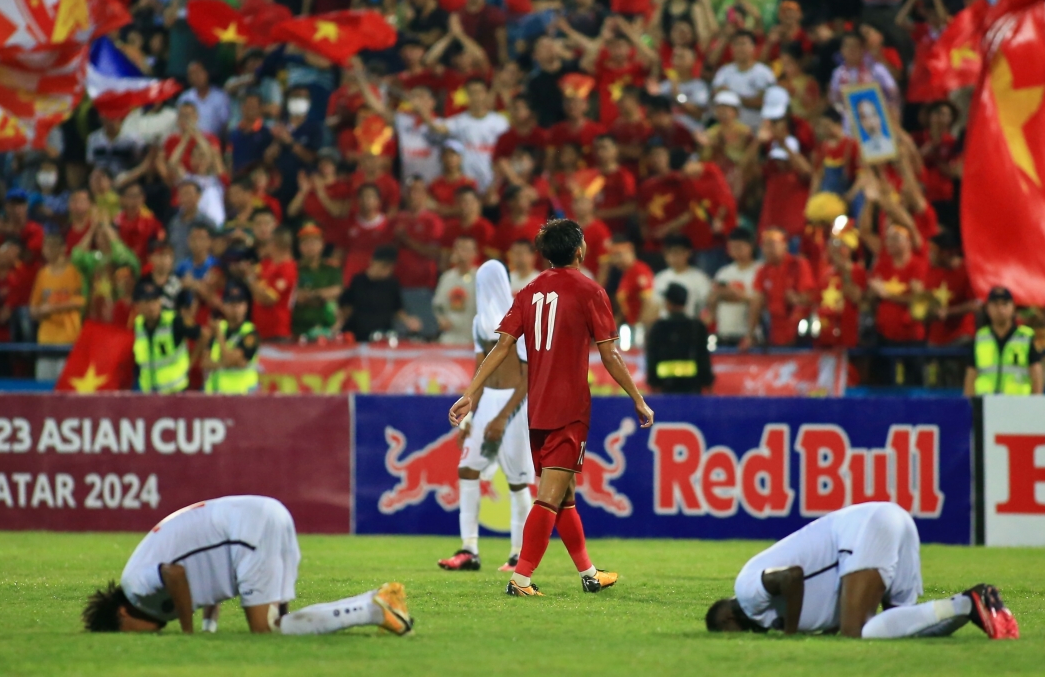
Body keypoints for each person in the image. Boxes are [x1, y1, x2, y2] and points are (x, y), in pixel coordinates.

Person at [448, 219, 655, 598]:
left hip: (537, 408)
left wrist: (471, 392)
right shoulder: (591, 291)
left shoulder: (529, 291)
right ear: (579, 251)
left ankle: (590, 573)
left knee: (564, 494)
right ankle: (521, 579)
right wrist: (637, 398)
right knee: (549, 495)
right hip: (569, 408)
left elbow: (502, 346)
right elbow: (610, 353)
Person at [81, 494, 412, 635]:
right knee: (279, 622)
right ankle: (377, 600)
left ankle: (372, 610)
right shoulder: (145, 589)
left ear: (122, 615)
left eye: (127, 633)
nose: (141, 636)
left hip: (249, 531)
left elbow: (176, 573)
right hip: (267, 515)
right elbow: (204, 574)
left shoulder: (136, 588)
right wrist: (210, 626)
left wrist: (188, 632)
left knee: (264, 629)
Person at [705, 502, 1019, 640]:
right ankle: (972, 606)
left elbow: (792, 578)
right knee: (905, 629)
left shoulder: (746, 592)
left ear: (726, 619)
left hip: (867, 528)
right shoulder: (769, 616)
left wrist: (790, 636)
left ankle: (966, 602)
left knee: (856, 632)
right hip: (885, 521)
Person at [438, 261, 533, 574]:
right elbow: (481, 371)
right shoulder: (481, 321)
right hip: (488, 401)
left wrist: (503, 417)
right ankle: (469, 550)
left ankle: (519, 554)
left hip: (514, 406)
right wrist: (469, 417)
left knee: (518, 482)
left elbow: (528, 376)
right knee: (467, 469)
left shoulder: (518, 318)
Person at [964, 286, 1043, 397]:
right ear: (988, 309)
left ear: (1013, 307)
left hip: (1018, 406)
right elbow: (971, 376)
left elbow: (1036, 376)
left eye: (1005, 304)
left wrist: (1036, 405)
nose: (1000, 309)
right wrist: (970, 404)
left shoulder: (1025, 337)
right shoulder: (980, 338)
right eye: (995, 305)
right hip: (986, 404)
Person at [29, 233, 87, 383]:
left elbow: (81, 300)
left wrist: (53, 308)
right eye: (45, 247)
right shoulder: (42, 274)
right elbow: (33, 309)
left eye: (51, 247)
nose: (47, 251)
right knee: (44, 388)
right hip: (46, 340)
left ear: (62, 249)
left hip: (68, 339)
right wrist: (40, 311)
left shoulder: (74, 271)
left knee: (65, 388)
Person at [337, 245, 421, 341]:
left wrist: (408, 321)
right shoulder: (358, 281)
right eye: (384, 266)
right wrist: (340, 323)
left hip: (383, 334)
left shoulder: (392, 283)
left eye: (391, 267)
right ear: (373, 262)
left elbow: (397, 308)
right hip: (358, 333)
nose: (387, 270)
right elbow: (346, 305)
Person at [132, 279, 201, 394]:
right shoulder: (138, 325)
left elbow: (203, 334)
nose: (152, 307)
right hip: (148, 393)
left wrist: (190, 363)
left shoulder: (174, 321)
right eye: (147, 302)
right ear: (138, 306)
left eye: (155, 301)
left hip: (175, 393)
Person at [646, 284, 714, 394]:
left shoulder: (658, 327)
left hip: (665, 387)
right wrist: (708, 383)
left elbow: (652, 357)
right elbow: (703, 358)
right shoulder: (697, 326)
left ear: (668, 303)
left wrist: (653, 383)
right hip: (692, 387)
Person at [204, 281, 259, 394]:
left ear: (246, 306)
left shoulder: (250, 333)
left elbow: (230, 359)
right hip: (217, 393)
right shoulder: (219, 327)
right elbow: (204, 362)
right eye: (231, 303)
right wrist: (225, 364)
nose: (236, 308)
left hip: (242, 394)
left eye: (240, 303)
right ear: (223, 306)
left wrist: (219, 336)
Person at [709, 227, 759, 347]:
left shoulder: (759, 270)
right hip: (724, 331)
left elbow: (758, 300)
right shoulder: (724, 272)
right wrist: (739, 296)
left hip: (750, 335)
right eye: (732, 248)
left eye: (739, 247)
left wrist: (731, 294)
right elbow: (712, 298)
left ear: (751, 246)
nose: (735, 251)